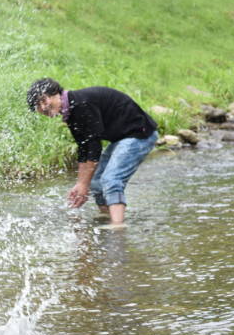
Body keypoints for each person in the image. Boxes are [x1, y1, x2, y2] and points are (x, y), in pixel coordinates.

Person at [27, 78, 158, 226]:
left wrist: (83, 185)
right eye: (39, 104)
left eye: (44, 101)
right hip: (122, 138)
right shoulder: (71, 111)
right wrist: (81, 183)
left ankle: (118, 228)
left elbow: (94, 146)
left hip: (140, 134)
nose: (43, 107)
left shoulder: (81, 104)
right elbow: (84, 148)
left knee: (111, 179)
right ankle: (108, 216)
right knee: (96, 181)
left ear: (56, 94)